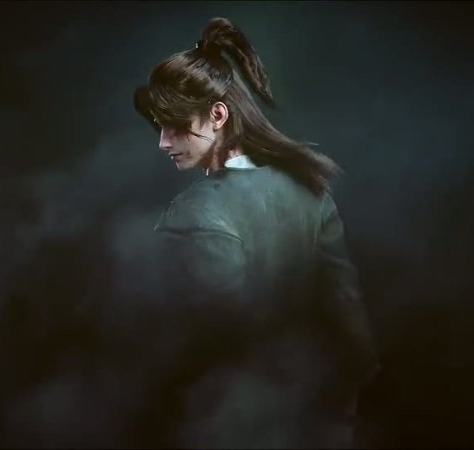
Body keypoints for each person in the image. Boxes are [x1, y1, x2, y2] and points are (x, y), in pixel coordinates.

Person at [132, 17, 380, 448]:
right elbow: (350, 324)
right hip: (308, 423)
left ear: (218, 114)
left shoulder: (195, 210)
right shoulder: (310, 192)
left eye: (174, 124)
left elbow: (195, 345)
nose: (163, 142)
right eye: (159, 125)